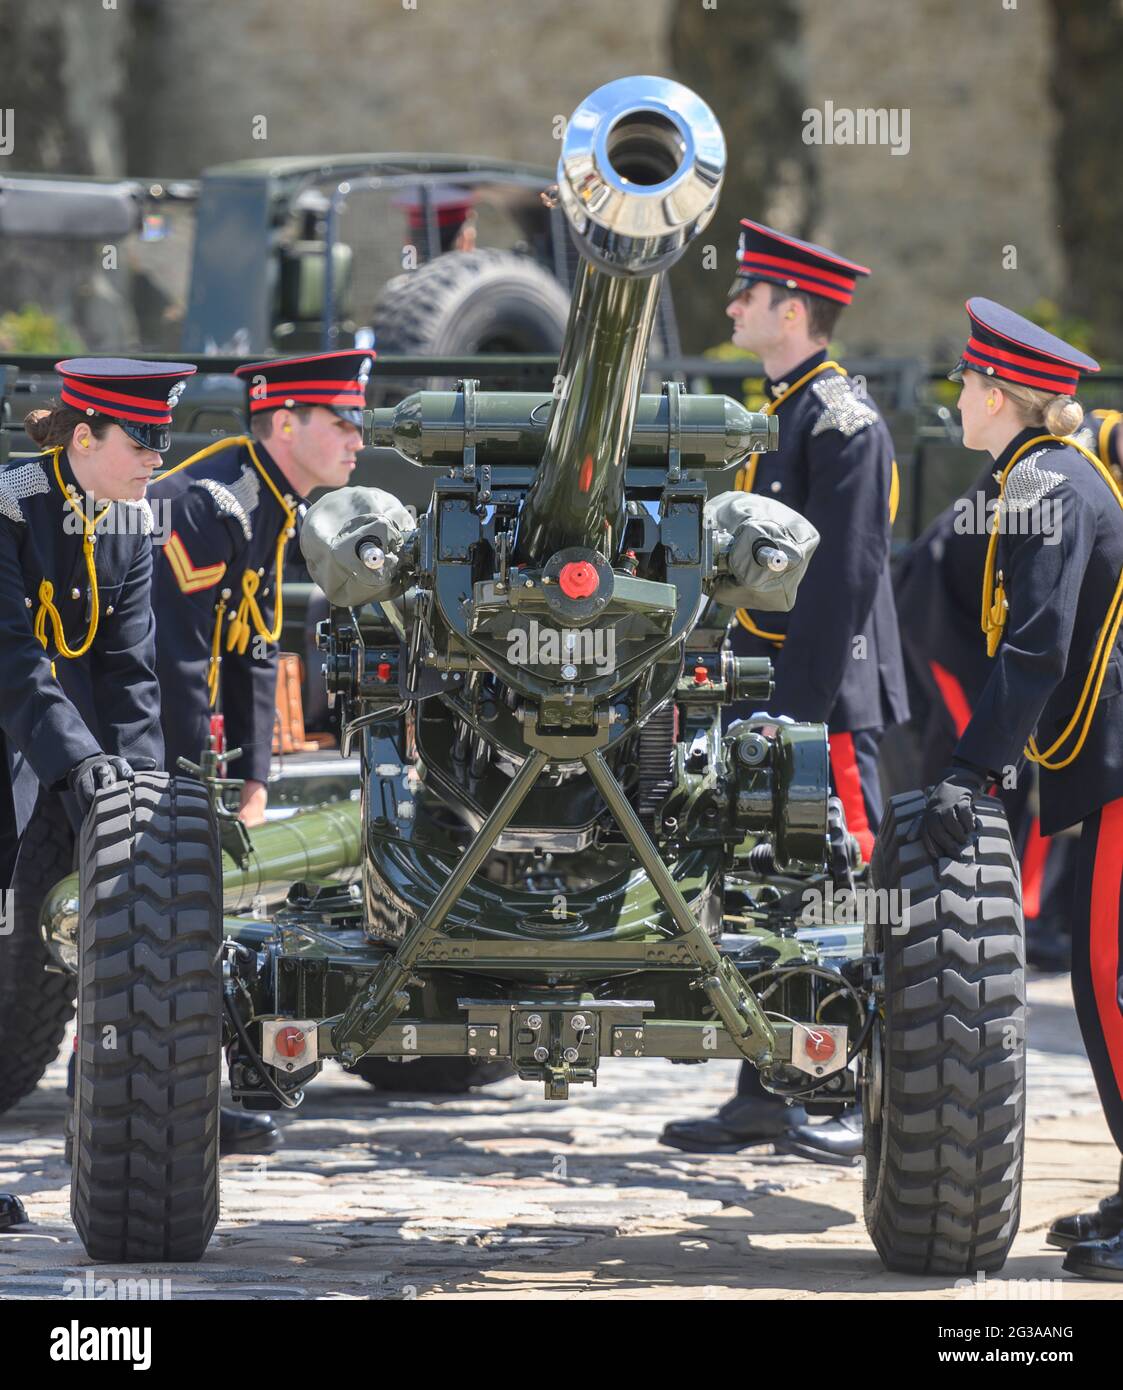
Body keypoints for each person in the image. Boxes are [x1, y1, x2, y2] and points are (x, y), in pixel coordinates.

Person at [660, 220, 908, 1163]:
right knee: (767, 891)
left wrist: (800, 712)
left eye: (745, 294)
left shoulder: (840, 420)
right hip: (778, 694)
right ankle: (766, 1089)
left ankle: (849, 1090)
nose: (729, 306)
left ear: (790, 310)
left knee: (846, 889)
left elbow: (843, 576)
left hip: (825, 702)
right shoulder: (787, 410)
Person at [918, 298, 1123, 1281]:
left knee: (1114, 989)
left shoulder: (1043, 482)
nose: (955, 397)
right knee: (1099, 985)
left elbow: (1035, 646)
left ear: (998, 393)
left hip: (1121, 775)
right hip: (1108, 773)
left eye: (964, 382)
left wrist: (970, 766)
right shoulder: (1038, 474)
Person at [148, 350, 368, 827]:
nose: (359, 441)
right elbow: (175, 662)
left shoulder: (270, 502)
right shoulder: (213, 504)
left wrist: (254, 786)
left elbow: (254, 646)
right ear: (287, 425)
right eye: (342, 425)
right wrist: (183, 800)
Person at [895, 461, 1079, 970]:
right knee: (973, 766)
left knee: (1015, 775)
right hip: (947, 619)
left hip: (988, 634)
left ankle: (1013, 913)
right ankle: (943, 919)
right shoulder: (1061, 464)